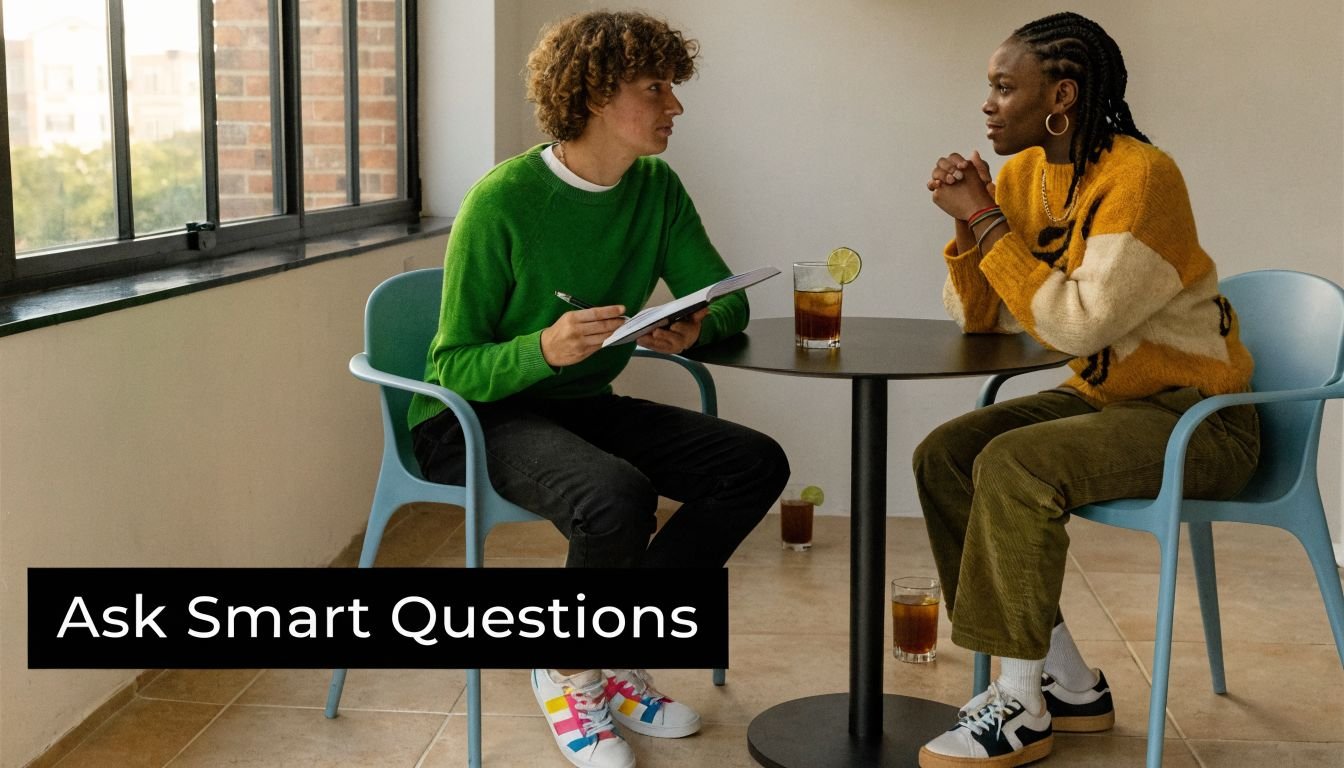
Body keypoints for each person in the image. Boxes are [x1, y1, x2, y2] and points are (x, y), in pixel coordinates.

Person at [407, 11, 790, 768]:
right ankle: (570, 667)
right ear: (590, 95)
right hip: (472, 420)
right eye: (656, 88)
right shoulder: (503, 200)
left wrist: (694, 328)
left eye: (673, 87)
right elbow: (452, 366)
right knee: (615, 493)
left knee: (754, 463)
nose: (674, 106)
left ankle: (604, 646)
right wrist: (543, 349)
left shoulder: (655, 189)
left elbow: (726, 296)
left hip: (580, 408)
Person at [913, 12, 1260, 768]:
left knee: (1015, 463)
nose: (988, 104)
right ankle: (1066, 682)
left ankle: (1021, 704)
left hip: (1200, 419)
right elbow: (980, 320)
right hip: (1108, 402)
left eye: (1005, 88)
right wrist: (972, 229)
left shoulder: (1141, 178)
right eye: (990, 88)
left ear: (1060, 94)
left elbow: (1077, 325)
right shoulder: (1021, 176)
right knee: (945, 454)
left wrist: (984, 219)